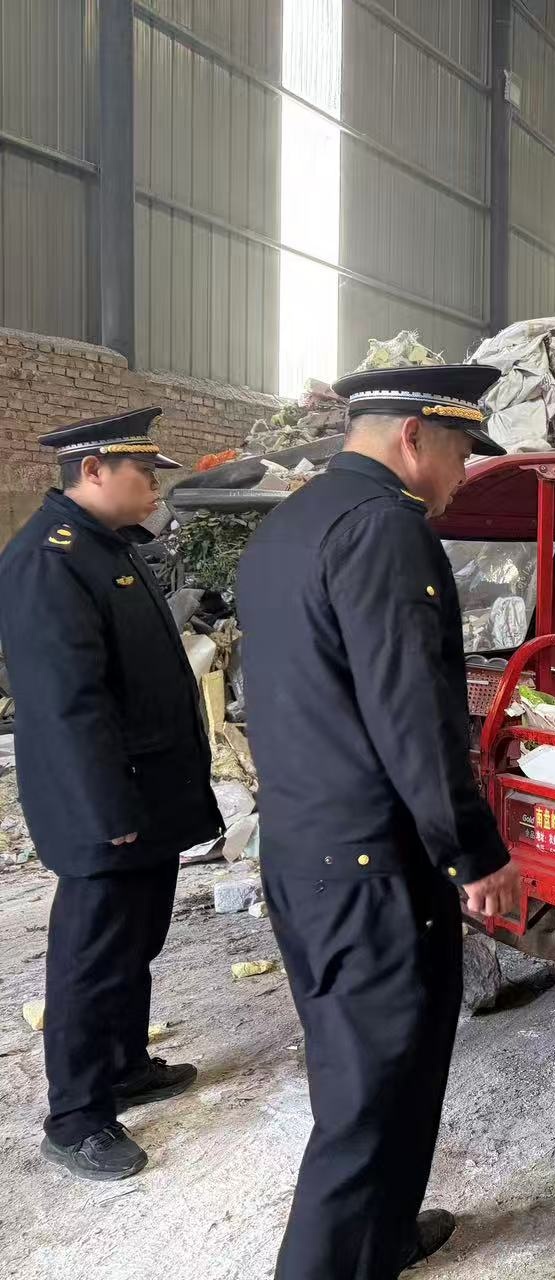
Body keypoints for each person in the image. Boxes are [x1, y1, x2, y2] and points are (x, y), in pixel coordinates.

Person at [237, 364, 522, 1280]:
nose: (464, 476)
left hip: (304, 844)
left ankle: (383, 1239)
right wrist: (475, 851)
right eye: (461, 453)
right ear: (412, 437)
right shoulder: (386, 530)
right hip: (370, 866)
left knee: (381, 1071)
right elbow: (413, 718)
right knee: (365, 1103)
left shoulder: (290, 523)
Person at [0, 409, 221, 1180]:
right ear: (92, 471)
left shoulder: (107, 547)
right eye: (143, 472)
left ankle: (124, 1065)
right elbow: (66, 703)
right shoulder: (48, 559)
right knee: (90, 956)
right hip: (105, 804)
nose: (154, 486)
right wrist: (104, 811)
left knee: (135, 939)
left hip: (142, 793)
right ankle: (76, 1117)